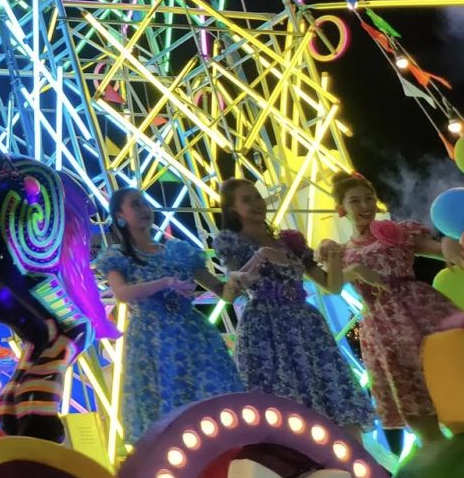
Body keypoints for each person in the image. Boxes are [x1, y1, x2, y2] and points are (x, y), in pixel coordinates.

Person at [212, 178, 373, 433]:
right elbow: (231, 291)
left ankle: (351, 453)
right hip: (266, 327)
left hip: (306, 325)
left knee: (331, 389)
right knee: (282, 397)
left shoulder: (289, 241)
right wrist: (257, 259)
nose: (257, 203)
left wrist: (333, 255)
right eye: (247, 200)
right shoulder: (233, 242)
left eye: (257, 197)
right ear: (233, 209)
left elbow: (330, 286)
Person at [318, 172, 464, 444]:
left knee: (448, 367)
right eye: (355, 201)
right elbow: (331, 286)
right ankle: (434, 447)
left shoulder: (397, 233)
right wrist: (352, 269)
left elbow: (436, 249)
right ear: (341, 209)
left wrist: (447, 243)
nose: (365, 205)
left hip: (420, 308)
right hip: (382, 325)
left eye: (369, 198)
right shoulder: (340, 251)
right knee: (409, 390)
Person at [93, 188, 242, 445]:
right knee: (167, 410)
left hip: (192, 336)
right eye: (135, 204)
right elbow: (122, 294)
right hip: (152, 340)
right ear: (119, 216)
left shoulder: (179, 252)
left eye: (144, 203)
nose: (144, 209)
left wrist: (239, 276)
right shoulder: (118, 257)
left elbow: (222, 292)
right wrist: (165, 282)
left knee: (209, 402)